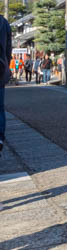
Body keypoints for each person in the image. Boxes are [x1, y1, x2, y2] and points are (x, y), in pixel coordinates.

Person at [0, 13, 11, 155]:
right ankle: (0, 138)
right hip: (0, 68)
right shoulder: (3, 22)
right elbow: (9, 48)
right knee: (0, 107)